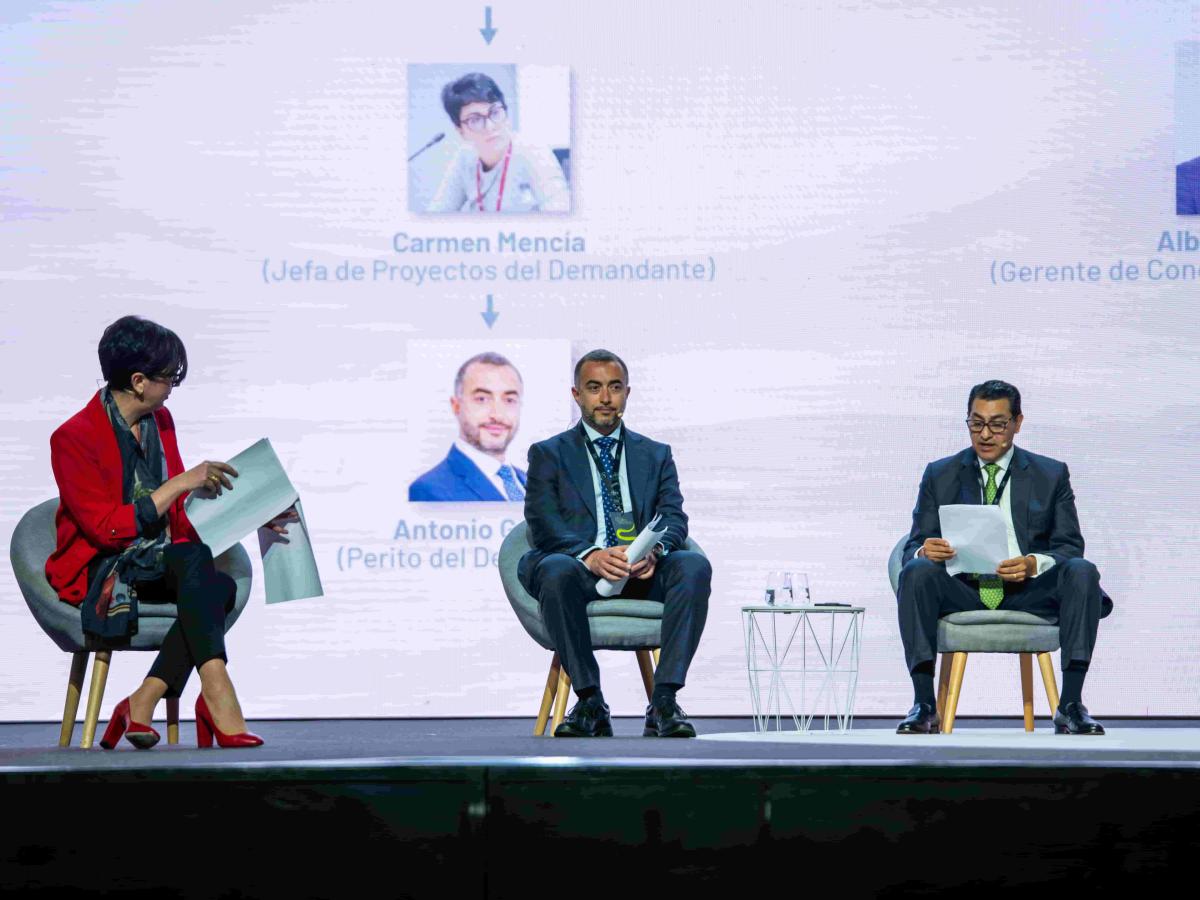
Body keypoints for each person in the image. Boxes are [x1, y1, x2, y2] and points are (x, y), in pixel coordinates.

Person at [46, 316, 296, 749]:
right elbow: (106, 530)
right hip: (104, 568)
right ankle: (216, 693)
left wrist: (254, 512)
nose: (172, 389)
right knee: (207, 579)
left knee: (219, 584)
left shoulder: (160, 422)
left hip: (159, 557)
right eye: (168, 379)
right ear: (139, 381)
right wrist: (181, 482)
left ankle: (144, 698)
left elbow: (177, 515)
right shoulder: (72, 438)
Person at [895, 380, 1113, 736]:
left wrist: (1033, 564)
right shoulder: (940, 473)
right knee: (917, 570)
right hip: (963, 588)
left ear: (1017, 423)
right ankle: (924, 705)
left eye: (997, 424)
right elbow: (913, 545)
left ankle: (1071, 704)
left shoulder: (1050, 474)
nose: (985, 434)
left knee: (1082, 571)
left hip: (1027, 591)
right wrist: (924, 550)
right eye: (976, 423)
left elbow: (1070, 546)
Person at [517, 350, 711, 737]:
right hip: (580, 571)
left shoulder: (655, 454)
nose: (605, 398)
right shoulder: (549, 454)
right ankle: (590, 701)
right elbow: (543, 522)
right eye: (594, 388)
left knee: (693, 566)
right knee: (555, 570)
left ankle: (665, 701)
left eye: (615, 387)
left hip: (640, 572)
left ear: (627, 393)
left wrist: (653, 552)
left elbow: (673, 516)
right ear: (577, 395)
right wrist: (590, 555)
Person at [425, 72, 569, 213]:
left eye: (495, 112)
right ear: (460, 131)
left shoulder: (534, 152)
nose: (490, 126)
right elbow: (437, 213)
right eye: (475, 120)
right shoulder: (465, 158)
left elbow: (560, 214)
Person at [409, 352, 527, 502]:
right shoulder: (429, 491)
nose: (498, 415)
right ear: (456, 406)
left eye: (509, 400)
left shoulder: (530, 483)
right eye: (482, 399)